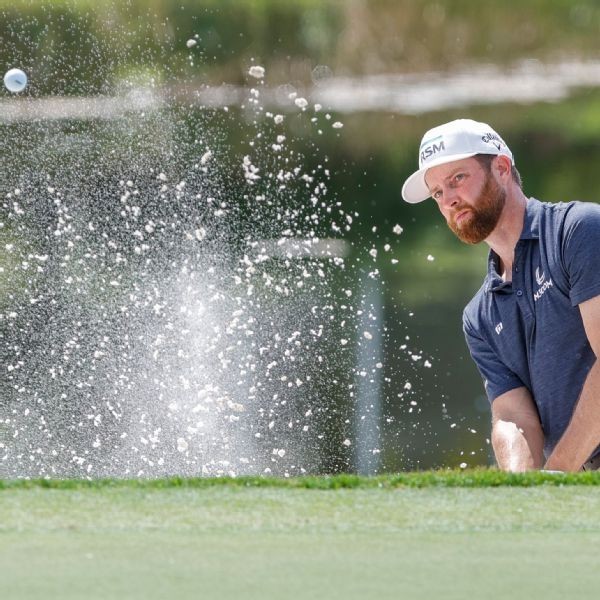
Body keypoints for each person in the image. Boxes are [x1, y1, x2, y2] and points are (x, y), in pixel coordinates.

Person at [401, 118, 600, 472]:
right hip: (581, 485)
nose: (449, 200)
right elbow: (514, 418)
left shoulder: (578, 231)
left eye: (457, 179)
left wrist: (557, 476)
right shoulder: (479, 316)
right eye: (437, 193)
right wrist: (521, 490)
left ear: (502, 167)